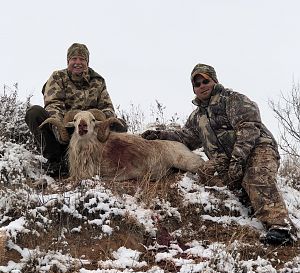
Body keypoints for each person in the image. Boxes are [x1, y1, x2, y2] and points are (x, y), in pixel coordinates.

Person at [142, 63, 296, 245]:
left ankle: (281, 227)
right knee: (205, 172)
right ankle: (246, 198)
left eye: (205, 81)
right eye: (196, 84)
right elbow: (186, 138)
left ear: (214, 80)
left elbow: (249, 127)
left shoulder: (233, 100)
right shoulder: (197, 117)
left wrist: (239, 159)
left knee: (256, 177)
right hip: (226, 158)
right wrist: (160, 135)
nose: (201, 86)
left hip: (258, 148)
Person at [25, 43, 127, 176]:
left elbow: (107, 107)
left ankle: (103, 161)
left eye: (82, 59)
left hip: (91, 130)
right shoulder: (58, 77)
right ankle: (56, 161)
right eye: (74, 59)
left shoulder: (98, 81)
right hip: (67, 128)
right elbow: (53, 104)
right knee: (34, 113)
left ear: (87, 62)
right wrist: (60, 130)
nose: (78, 62)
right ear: (68, 61)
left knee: (119, 125)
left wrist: (101, 126)